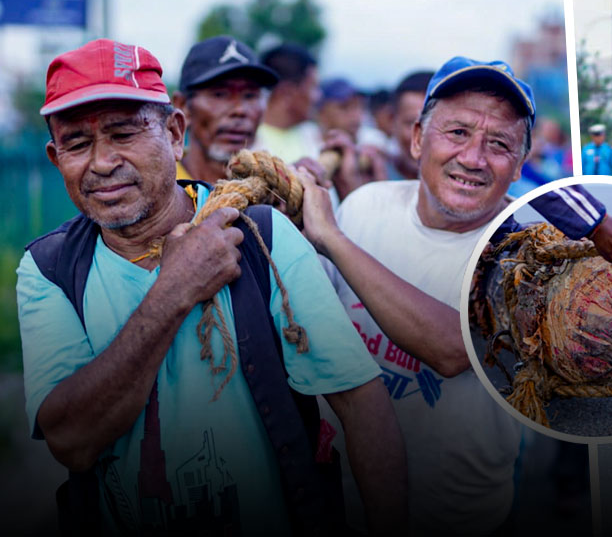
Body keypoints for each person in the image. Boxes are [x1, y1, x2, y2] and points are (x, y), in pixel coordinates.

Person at [18, 39, 405, 535]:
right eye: (76, 143)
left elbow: (362, 404)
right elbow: (71, 442)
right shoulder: (48, 269)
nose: (101, 162)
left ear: (174, 133)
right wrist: (174, 288)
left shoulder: (261, 235)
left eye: (123, 133)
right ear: (55, 157)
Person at [294, 56, 612, 534]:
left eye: (498, 144)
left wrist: (331, 239)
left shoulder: (527, 258)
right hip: (335, 503)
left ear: (520, 164)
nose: (474, 158)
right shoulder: (363, 205)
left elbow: (452, 350)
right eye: (456, 133)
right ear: (417, 138)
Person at [171, 36, 278, 184]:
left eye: (250, 95)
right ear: (182, 106)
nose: (239, 110)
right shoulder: (160, 194)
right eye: (220, 94)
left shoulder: (274, 193)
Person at [256, 43, 323, 164]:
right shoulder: (247, 142)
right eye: (313, 87)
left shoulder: (314, 136)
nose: (318, 97)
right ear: (287, 92)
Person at [390, 70, 433, 180]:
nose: (420, 139)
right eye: (411, 123)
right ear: (392, 122)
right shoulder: (374, 174)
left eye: (430, 124)